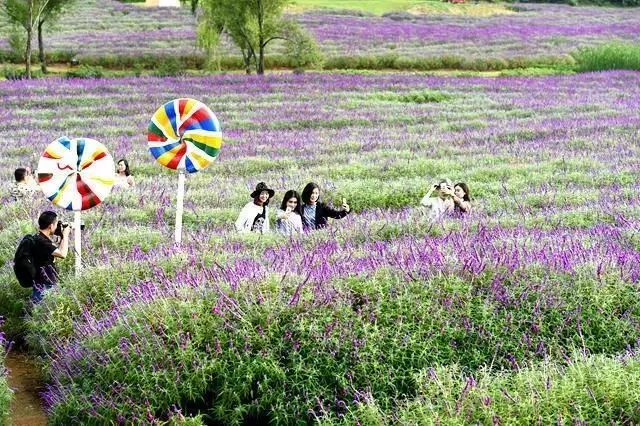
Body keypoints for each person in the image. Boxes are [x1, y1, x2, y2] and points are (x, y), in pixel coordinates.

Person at [31, 211, 70, 303]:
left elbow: (57, 253)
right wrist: (66, 235)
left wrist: (62, 237)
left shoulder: (39, 238)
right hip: (44, 284)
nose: (57, 227)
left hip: (43, 282)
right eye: (56, 224)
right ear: (51, 226)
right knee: (43, 312)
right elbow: (63, 254)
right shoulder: (42, 241)